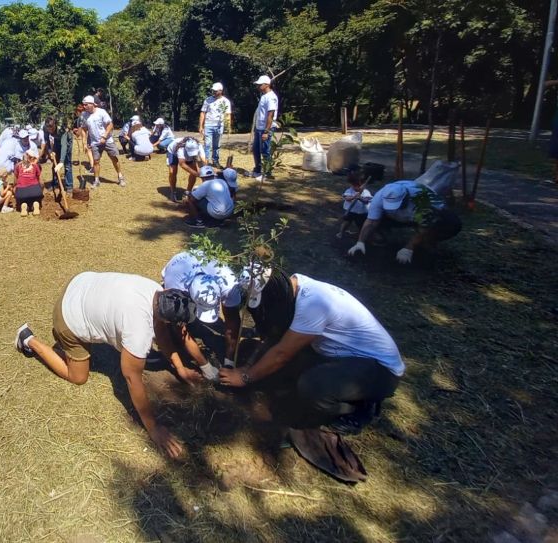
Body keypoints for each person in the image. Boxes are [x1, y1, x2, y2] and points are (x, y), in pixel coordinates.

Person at [14, 273, 203, 459]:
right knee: (78, 377)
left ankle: (69, 343)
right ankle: (28, 340)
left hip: (79, 283)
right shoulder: (139, 332)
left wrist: (180, 368)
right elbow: (131, 378)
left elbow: (161, 332)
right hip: (67, 316)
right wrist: (153, 428)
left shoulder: (156, 291)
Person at [218, 269, 404, 434]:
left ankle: (360, 406)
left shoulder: (313, 305)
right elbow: (275, 341)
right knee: (269, 362)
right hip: (340, 356)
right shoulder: (294, 287)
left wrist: (245, 377)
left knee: (312, 386)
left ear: (273, 293)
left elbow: (281, 354)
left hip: (379, 370)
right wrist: (249, 365)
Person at [161, 251, 240, 379]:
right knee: (175, 324)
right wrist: (205, 365)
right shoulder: (175, 287)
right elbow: (180, 330)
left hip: (203, 261)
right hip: (178, 265)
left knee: (231, 313)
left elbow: (232, 320)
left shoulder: (228, 283)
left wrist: (229, 362)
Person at [347, 180, 462, 264]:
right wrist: (360, 242)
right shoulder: (380, 196)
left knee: (451, 224)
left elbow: (426, 225)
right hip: (399, 216)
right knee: (363, 217)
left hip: (427, 215)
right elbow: (371, 221)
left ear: (406, 198)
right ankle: (379, 237)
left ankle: (426, 243)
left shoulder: (423, 199)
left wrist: (409, 247)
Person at [80, 95, 126, 188]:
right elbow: (84, 129)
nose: (84, 106)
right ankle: (96, 180)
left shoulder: (101, 112)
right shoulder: (84, 115)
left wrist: (104, 136)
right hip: (95, 142)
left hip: (107, 140)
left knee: (114, 158)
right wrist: (84, 142)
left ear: (92, 104)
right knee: (96, 161)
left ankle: (120, 177)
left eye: (86, 104)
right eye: (83, 104)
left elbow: (110, 124)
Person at [251, 76, 279, 181]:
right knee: (256, 150)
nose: (258, 86)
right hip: (259, 127)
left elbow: (270, 115)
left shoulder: (271, 97)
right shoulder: (264, 96)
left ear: (267, 84)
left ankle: (267, 173)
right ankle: (257, 170)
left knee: (265, 151)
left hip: (265, 128)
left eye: (260, 84)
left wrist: (266, 131)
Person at [199, 82, 233, 168]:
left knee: (216, 145)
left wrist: (228, 126)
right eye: (213, 90)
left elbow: (227, 115)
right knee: (207, 144)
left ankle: (215, 161)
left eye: (215, 91)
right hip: (208, 125)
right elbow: (203, 113)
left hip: (219, 125)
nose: (213, 92)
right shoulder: (208, 100)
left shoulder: (225, 101)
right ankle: (205, 161)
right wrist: (201, 126)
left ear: (220, 91)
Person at [165, 136, 206, 203]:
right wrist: (196, 173)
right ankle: (173, 192)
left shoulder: (199, 146)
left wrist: (204, 173)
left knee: (195, 171)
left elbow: (203, 161)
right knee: (172, 172)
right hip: (173, 152)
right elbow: (182, 164)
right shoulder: (181, 148)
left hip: (186, 155)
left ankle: (188, 192)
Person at [337, 168, 372, 239]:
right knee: (346, 222)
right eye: (354, 185)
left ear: (363, 184)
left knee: (361, 225)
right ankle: (341, 232)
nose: (356, 187)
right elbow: (346, 198)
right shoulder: (349, 191)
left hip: (361, 212)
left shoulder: (366, 192)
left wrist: (360, 198)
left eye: (358, 186)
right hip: (351, 211)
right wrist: (353, 197)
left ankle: (361, 235)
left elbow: (366, 201)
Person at [14, 147, 44, 216]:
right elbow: (41, 183)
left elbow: (15, 182)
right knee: (36, 196)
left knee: (21, 197)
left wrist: (15, 192)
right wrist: (41, 192)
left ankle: (23, 205)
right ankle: (35, 204)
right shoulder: (35, 166)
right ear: (32, 158)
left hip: (21, 192)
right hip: (35, 191)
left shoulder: (17, 166)